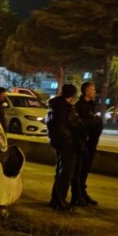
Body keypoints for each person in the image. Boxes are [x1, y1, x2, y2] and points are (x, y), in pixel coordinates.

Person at [46, 83, 86, 212]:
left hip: (58, 142)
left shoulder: (54, 106)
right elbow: (76, 126)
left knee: (60, 171)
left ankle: (55, 199)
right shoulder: (67, 108)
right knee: (66, 173)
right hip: (68, 143)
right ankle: (60, 201)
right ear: (73, 95)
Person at [73, 82, 103, 206]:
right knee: (79, 169)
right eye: (92, 89)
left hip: (90, 142)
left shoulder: (91, 105)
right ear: (86, 91)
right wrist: (94, 121)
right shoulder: (80, 106)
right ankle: (77, 195)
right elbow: (85, 123)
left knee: (85, 169)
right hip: (82, 142)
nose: (94, 91)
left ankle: (82, 193)